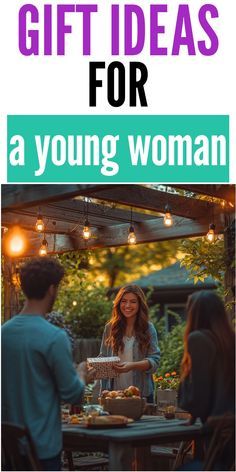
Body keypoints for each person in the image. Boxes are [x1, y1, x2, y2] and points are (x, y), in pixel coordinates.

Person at [2, 257, 90, 471]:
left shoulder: (2, 334)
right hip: (42, 451)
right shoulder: (53, 337)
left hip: (7, 451)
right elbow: (73, 395)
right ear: (52, 289)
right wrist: (81, 372)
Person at [178, 290, 235, 424]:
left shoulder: (198, 339)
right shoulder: (230, 339)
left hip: (219, 428)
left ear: (194, 313)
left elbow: (199, 396)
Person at [99, 284, 160, 402]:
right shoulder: (110, 328)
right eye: (124, 301)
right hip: (114, 395)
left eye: (133, 302)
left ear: (139, 304)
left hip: (141, 395)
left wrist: (131, 366)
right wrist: (93, 365)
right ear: (118, 303)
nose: (127, 305)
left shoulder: (148, 328)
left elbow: (154, 361)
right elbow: (104, 357)